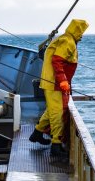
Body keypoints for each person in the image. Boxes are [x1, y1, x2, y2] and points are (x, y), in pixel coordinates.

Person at [29, 19, 89, 157]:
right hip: (54, 83)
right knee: (58, 113)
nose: (82, 35)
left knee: (51, 110)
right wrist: (62, 80)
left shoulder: (65, 39)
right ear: (76, 30)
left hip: (51, 82)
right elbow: (57, 60)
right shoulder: (68, 41)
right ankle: (56, 146)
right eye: (81, 32)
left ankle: (37, 133)